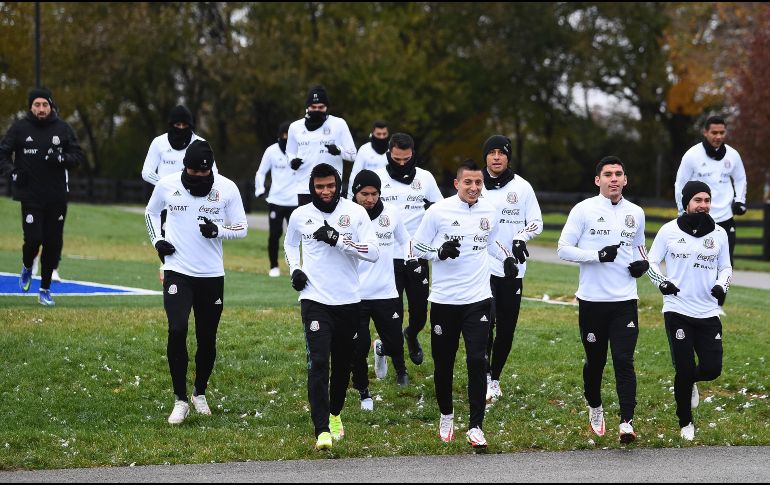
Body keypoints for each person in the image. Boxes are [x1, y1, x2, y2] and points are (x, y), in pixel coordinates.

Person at [411, 160, 517, 449]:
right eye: (468, 182)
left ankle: (476, 426)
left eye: (478, 183)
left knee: (477, 360)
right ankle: (446, 415)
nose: (473, 188)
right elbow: (416, 246)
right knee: (444, 363)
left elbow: (494, 242)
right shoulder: (438, 211)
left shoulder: (489, 211)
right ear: (457, 184)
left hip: (478, 300)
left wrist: (507, 258)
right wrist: (438, 251)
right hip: (444, 301)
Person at [144, 140, 247, 425]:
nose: (197, 177)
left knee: (207, 337)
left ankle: (199, 392)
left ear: (211, 170)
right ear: (184, 167)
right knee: (177, 329)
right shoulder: (166, 184)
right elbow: (151, 213)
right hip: (177, 269)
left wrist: (218, 231)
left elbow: (242, 228)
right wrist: (158, 241)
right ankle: (179, 400)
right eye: (192, 172)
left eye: (203, 174)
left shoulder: (227, 188)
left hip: (211, 274)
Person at [283, 163, 379, 450]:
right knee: (319, 362)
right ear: (312, 187)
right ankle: (321, 429)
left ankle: (335, 414)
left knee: (341, 366)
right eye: (319, 187)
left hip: (348, 300)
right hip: (314, 299)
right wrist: (295, 270)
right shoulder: (301, 215)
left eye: (330, 186)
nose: (325, 192)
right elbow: (290, 245)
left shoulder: (355, 212)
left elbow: (373, 252)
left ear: (338, 185)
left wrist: (339, 241)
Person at [557, 156, 648, 443]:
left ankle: (626, 423)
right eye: (608, 174)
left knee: (623, 360)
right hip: (592, 302)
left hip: (625, 301)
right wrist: (597, 256)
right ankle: (595, 407)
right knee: (595, 362)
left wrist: (642, 265)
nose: (614, 179)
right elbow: (563, 249)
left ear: (625, 179)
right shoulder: (583, 210)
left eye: (619, 174)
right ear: (598, 180)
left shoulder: (636, 212)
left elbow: (640, 249)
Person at [647, 181, 731, 441]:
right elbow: (651, 261)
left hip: (708, 312)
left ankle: (690, 381)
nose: (703, 205)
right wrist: (662, 283)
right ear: (686, 203)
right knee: (683, 369)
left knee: (712, 369)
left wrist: (721, 285)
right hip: (677, 309)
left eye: (707, 200)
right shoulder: (669, 231)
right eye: (698, 200)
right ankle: (686, 422)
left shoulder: (719, 233)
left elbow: (726, 267)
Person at [0, 87, 85, 306]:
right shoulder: (19, 128)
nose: (41, 109)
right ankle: (27, 266)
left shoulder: (63, 129)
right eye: (36, 105)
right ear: (30, 107)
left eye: (44, 104)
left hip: (57, 197)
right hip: (30, 196)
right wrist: (12, 172)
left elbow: (77, 157)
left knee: (52, 243)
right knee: (33, 240)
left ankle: (45, 290)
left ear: (51, 106)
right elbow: (3, 152)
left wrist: (61, 158)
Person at [479, 135, 543, 403]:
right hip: (482, 267)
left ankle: (495, 377)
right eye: (491, 152)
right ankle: (482, 377)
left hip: (513, 269)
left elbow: (537, 223)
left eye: (501, 153)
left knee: (506, 328)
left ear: (508, 157)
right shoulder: (476, 185)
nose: (496, 157)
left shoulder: (523, 187)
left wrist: (521, 238)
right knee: (485, 325)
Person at [374, 132, 443, 367]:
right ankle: (399, 367)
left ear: (413, 154)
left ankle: (411, 334)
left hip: (417, 256)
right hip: (388, 258)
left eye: (406, 159)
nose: (401, 163)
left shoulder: (425, 178)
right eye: (396, 159)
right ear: (389, 154)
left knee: (420, 314)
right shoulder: (377, 177)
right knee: (393, 314)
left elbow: (439, 211)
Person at [349, 169, 412, 411]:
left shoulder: (392, 214)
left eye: (374, 193)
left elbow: (405, 239)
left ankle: (383, 349)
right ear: (355, 193)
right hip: (355, 294)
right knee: (358, 345)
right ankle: (364, 392)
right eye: (365, 193)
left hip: (386, 292)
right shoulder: (348, 215)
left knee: (396, 343)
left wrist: (410, 258)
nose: (370, 198)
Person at [141, 105, 216, 283]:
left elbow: (214, 173)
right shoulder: (159, 143)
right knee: (166, 235)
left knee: (192, 235)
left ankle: (193, 270)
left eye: (185, 125)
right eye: (177, 125)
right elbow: (146, 171)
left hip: (195, 199)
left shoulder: (199, 143)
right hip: (166, 199)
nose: (181, 129)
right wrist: (165, 185)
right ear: (171, 125)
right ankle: (168, 266)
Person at [675, 115, 747, 267]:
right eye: (714, 132)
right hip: (699, 217)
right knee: (698, 262)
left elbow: (740, 179)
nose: (718, 136)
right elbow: (680, 184)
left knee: (726, 264)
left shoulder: (733, 155)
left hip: (725, 218)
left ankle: (720, 291)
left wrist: (740, 200)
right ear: (705, 132)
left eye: (722, 132)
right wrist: (682, 210)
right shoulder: (692, 155)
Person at [285, 85, 357, 206]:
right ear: (307, 107)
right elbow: (289, 153)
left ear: (327, 107)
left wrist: (339, 150)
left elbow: (353, 155)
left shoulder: (338, 124)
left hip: (331, 188)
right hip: (304, 188)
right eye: (313, 107)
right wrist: (292, 161)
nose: (317, 110)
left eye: (321, 107)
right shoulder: (295, 127)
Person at [254, 121, 296, 277]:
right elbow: (261, 172)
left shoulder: (300, 150)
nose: (286, 139)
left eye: (289, 136)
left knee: (296, 235)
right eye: (284, 136)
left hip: (295, 201)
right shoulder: (271, 151)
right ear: (279, 136)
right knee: (275, 234)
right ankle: (273, 266)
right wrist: (260, 189)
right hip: (276, 200)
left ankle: (294, 263)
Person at [346, 120, 389, 198]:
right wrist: (350, 197)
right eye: (378, 134)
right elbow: (354, 175)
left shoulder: (392, 150)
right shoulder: (364, 149)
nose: (382, 137)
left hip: (388, 193)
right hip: (368, 194)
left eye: (384, 134)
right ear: (372, 134)